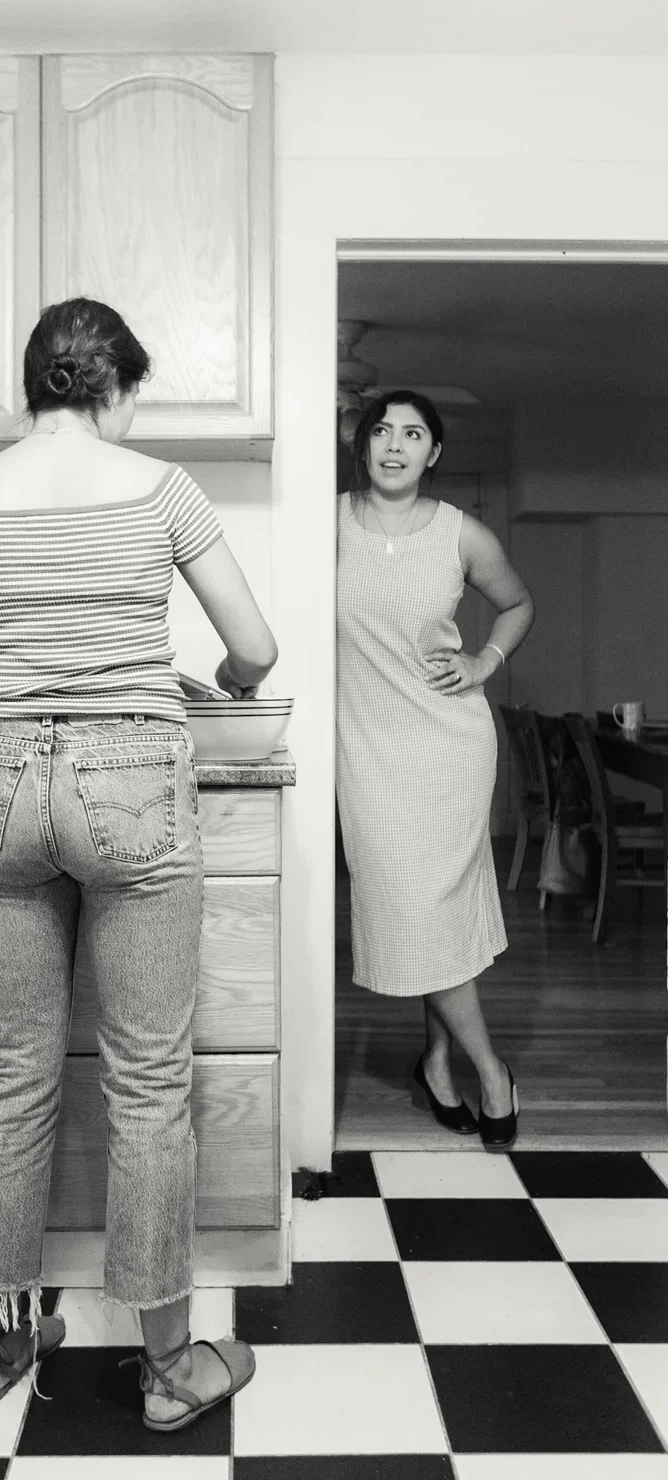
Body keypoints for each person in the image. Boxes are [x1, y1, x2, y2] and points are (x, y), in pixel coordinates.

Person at [0, 297, 276, 1426]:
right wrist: (228, 688)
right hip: (133, 782)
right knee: (147, 1084)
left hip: (6, 782)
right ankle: (170, 1371)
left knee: (13, 1072)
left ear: (34, 387)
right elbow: (253, 646)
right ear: (112, 389)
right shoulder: (161, 489)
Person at [336, 390, 535, 1150]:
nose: (395, 445)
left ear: (434, 453)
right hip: (368, 749)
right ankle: (451, 1061)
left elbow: (517, 604)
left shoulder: (463, 534)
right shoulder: (326, 524)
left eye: (413, 434)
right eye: (382, 431)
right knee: (416, 905)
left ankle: (478, 1071)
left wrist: (485, 658)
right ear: (364, 445)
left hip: (450, 744)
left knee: (433, 906)